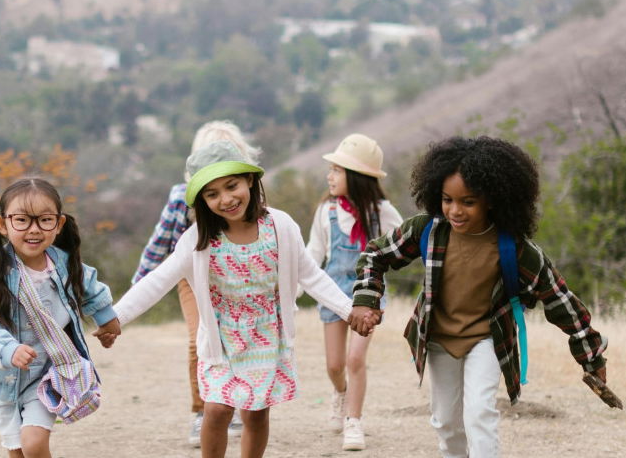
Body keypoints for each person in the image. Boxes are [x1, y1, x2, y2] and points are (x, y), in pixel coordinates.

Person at [348, 136, 609, 458]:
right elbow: (375, 255)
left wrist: (592, 359)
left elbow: (562, 303)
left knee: (479, 415)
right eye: (447, 200)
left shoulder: (516, 250)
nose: (455, 210)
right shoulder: (426, 231)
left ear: (493, 200)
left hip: (486, 340)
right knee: (446, 422)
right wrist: (365, 299)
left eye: (468, 202)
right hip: (440, 339)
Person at [99, 140, 363, 458]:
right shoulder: (197, 241)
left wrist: (349, 310)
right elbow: (157, 281)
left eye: (232, 185)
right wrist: (115, 317)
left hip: (267, 336)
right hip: (221, 339)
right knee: (217, 409)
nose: (226, 199)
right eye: (212, 194)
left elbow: (312, 276)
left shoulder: (280, 227)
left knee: (255, 413)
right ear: (201, 201)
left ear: (249, 180)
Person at [0, 178, 122, 458]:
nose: (34, 230)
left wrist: (106, 319)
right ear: (2, 224)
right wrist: (7, 349)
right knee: (16, 451)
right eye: (22, 220)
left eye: (45, 220)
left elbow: (90, 287)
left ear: (58, 224)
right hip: (4, 380)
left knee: (34, 444)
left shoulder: (64, 264)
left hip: (48, 373)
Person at [131, 120, 258, 447]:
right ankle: (202, 410)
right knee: (198, 338)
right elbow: (158, 247)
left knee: (243, 339)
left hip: (239, 275)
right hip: (194, 277)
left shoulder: (247, 194)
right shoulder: (182, 198)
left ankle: (242, 401)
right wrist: (135, 296)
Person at [304, 134, 403, 451]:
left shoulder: (383, 212)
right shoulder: (326, 212)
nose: (330, 176)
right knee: (335, 365)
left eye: (337, 170)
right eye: (331, 169)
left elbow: (404, 244)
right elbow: (312, 255)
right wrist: (289, 294)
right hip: (332, 292)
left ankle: (354, 422)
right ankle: (340, 393)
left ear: (357, 177)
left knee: (355, 358)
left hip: (368, 294)